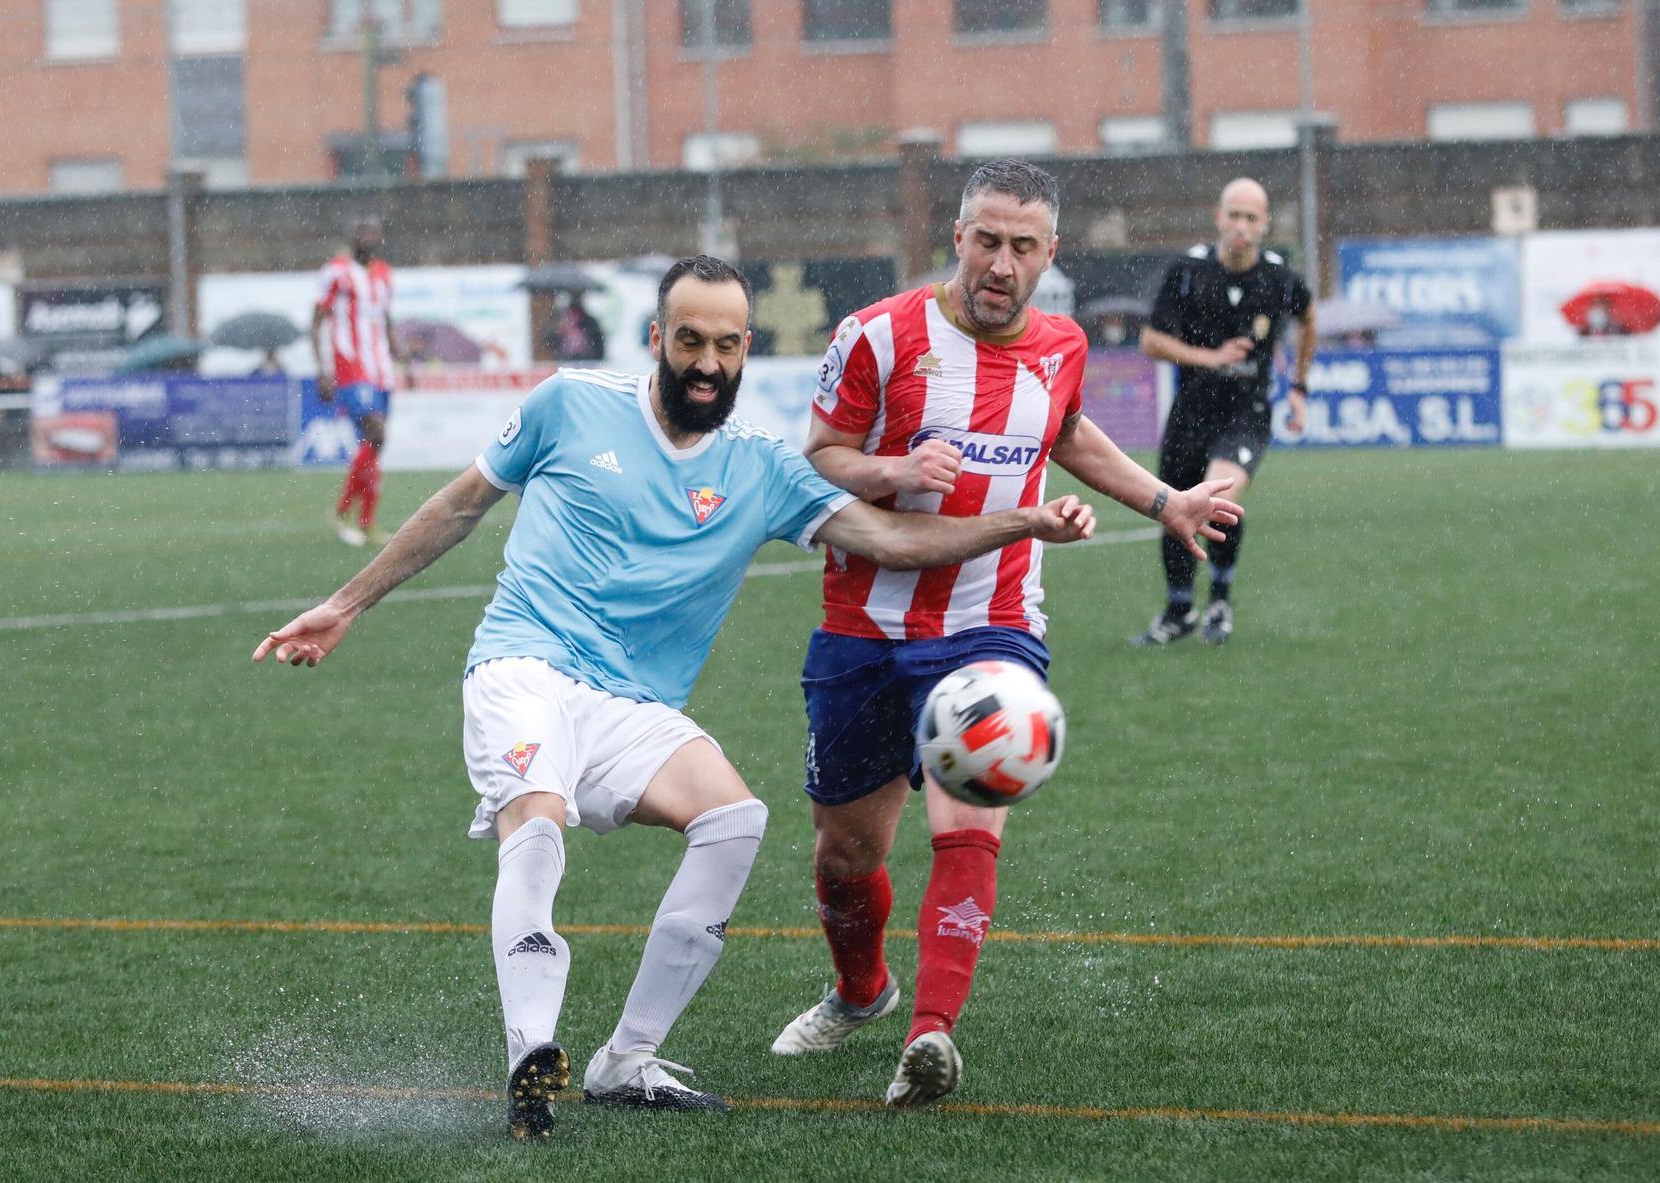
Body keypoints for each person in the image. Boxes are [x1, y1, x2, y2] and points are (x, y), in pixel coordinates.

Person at [252, 256, 1095, 1140]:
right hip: (523, 665)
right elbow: (460, 507)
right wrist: (344, 604)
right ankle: (529, 1053)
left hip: (630, 705)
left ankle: (626, 1061)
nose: (707, 363)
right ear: (657, 338)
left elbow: (886, 535)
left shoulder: (761, 467)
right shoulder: (569, 404)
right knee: (537, 815)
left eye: (726, 345)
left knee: (736, 819)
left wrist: (1024, 520)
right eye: (689, 340)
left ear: (745, 349)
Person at [772, 160, 1244, 1107]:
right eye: (986, 240)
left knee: (971, 804)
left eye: (1022, 246)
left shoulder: (1060, 345)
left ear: (1049, 254)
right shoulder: (877, 335)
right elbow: (818, 454)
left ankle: (931, 1034)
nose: (1001, 262)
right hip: (863, 622)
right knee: (845, 855)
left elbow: (1065, 433)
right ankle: (863, 992)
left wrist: (1165, 500)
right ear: (958, 237)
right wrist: (895, 466)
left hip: (992, 619)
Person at [1133, 177, 1316, 647]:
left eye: (1251, 218)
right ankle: (1178, 611)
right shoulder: (1189, 271)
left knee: (1217, 498)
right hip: (1191, 409)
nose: (1241, 226)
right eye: (1233, 215)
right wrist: (1209, 358)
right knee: (1175, 508)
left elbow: (1309, 318)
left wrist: (1298, 387)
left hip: (1247, 411)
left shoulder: (1279, 277)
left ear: (1265, 224)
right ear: (1219, 218)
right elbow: (1151, 341)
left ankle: (1219, 598)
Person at [311, 215, 405, 547]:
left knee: (376, 443)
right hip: (351, 367)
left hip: (381, 370)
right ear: (351, 236)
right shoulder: (336, 272)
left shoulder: (383, 274)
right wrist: (322, 370)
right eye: (361, 229)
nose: (368, 235)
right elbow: (317, 321)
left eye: (373, 230)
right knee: (376, 432)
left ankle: (365, 522)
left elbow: (386, 319)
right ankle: (340, 511)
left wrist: (401, 357)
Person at [549, 296, 606, 363]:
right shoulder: (562, 326)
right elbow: (549, 341)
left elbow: (597, 345)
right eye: (570, 314)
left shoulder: (589, 325)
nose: (572, 317)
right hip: (567, 362)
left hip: (587, 362)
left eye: (574, 314)